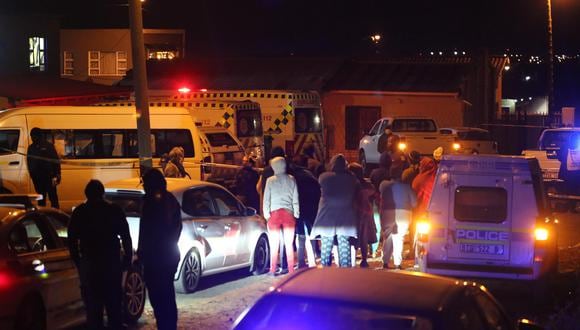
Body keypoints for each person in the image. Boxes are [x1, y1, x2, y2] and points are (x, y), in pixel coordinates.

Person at [68, 180, 132, 329]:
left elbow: (71, 241)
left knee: (93, 312)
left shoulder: (80, 212)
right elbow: (125, 236)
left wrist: (79, 262)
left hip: (91, 265)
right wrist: (126, 259)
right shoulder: (114, 210)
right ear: (102, 193)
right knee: (114, 308)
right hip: (111, 265)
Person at [138, 169, 182, 330]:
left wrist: (145, 252)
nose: (144, 186)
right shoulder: (165, 200)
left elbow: (151, 231)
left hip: (159, 259)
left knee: (162, 298)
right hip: (163, 258)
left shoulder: (157, 201)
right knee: (164, 297)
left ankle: (166, 326)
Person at [311, 154, 359, 268]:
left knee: (326, 246)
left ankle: (325, 273)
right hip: (345, 217)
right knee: (344, 246)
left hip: (327, 216)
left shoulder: (324, 177)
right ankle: (345, 273)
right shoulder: (351, 179)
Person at [263, 156, 300, 275]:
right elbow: (296, 198)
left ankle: (273, 269)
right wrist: (296, 213)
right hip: (289, 214)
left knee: (274, 244)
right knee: (289, 244)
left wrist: (266, 214)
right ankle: (290, 269)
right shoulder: (292, 179)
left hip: (274, 214)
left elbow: (266, 199)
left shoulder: (270, 180)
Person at [379, 164, 417, 269]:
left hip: (387, 212)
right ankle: (397, 263)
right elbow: (414, 203)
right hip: (403, 213)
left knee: (389, 237)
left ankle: (385, 262)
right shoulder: (407, 187)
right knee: (399, 237)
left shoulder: (384, 185)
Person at [288, 157, 320, 268]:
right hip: (312, 207)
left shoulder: (293, 176)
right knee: (312, 234)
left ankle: (301, 261)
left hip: (300, 208)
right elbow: (318, 191)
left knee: (300, 235)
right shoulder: (311, 175)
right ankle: (313, 260)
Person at [348, 162, 377, 268]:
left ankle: (352, 261)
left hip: (353, 212)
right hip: (366, 213)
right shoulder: (367, 185)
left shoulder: (351, 184)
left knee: (353, 236)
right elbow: (372, 193)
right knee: (364, 237)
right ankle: (364, 259)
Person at [26, 127, 61, 208]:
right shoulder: (31, 148)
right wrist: (32, 175)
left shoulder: (48, 146)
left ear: (38, 136)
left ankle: (55, 216)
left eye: (33, 136)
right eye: (31, 136)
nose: (32, 138)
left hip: (49, 177)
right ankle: (45, 216)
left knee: (52, 198)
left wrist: (58, 174)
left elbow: (55, 161)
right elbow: (29, 162)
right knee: (43, 199)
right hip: (39, 178)